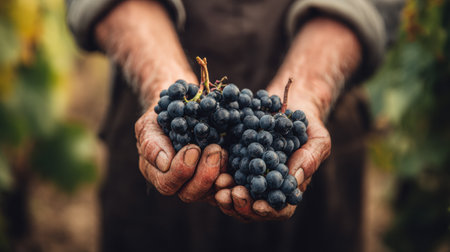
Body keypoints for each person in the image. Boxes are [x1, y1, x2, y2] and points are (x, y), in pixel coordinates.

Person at [66, 0, 403, 251]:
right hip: (150, 76)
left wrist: (311, 86)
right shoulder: (180, 111)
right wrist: (159, 78)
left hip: (321, 101)